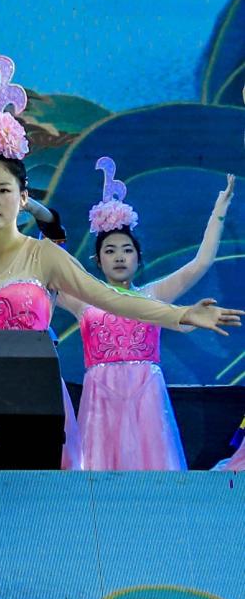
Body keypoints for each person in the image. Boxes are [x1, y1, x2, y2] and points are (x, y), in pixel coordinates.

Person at [0, 107, 238, 470]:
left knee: (46, 489)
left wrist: (182, 314)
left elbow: (116, 301)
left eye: (3, 190)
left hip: (38, 391)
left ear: (23, 198)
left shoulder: (45, 257)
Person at [74, 163, 231, 470]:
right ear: (98, 260)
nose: (119, 257)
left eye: (126, 250)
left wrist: (219, 213)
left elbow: (200, 263)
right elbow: (49, 275)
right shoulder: (84, 299)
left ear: (138, 257)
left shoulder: (152, 295)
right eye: (110, 251)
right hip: (100, 398)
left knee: (152, 471)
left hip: (145, 395)